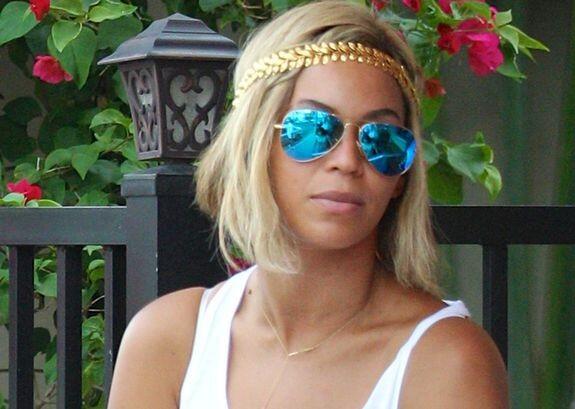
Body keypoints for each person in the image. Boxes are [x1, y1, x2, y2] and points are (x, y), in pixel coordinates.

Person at [107, 0, 509, 407]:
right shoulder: (170, 339)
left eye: (382, 139)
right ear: (254, 145)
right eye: (314, 129)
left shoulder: (447, 361)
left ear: (401, 178)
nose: (347, 161)